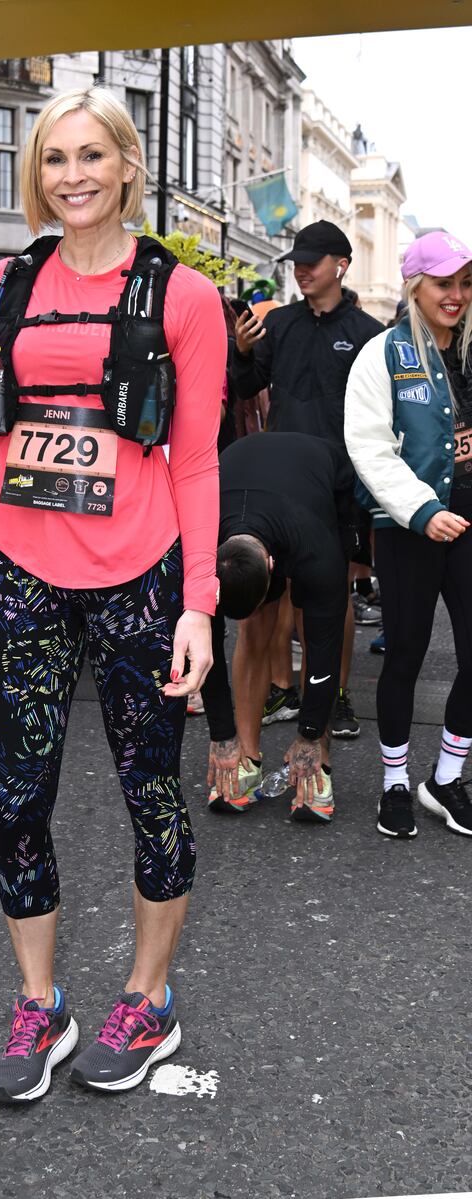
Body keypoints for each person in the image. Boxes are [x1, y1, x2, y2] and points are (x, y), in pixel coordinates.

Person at [0, 86, 225, 1102]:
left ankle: (148, 997)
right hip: (19, 576)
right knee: (16, 804)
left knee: (151, 797)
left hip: (139, 578)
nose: (73, 176)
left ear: (128, 165)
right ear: (34, 173)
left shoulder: (179, 296)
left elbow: (192, 461)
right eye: (55, 159)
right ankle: (40, 1003)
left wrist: (195, 599)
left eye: (92, 156)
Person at [230, 220, 384, 740]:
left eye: (311, 262)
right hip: (279, 478)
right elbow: (246, 386)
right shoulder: (281, 324)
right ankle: (279, 688)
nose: (301, 270)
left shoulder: (367, 334)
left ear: (341, 265)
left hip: (337, 481)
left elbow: (379, 414)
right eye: (296, 261)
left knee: (330, 593)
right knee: (272, 592)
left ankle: (335, 694)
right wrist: (243, 352)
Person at [345, 231, 472, 839]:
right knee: (406, 656)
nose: (456, 295)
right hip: (409, 527)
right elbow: (368, 446)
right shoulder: (382, 354)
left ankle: (444, 781)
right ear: (416, 285)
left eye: (465, 284)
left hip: (471, 526)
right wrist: (421, 510)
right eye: (445, 283)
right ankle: (394, 783)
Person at [202, 432, 354, 823]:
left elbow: (324, 649)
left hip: (321, 475)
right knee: (255, 627)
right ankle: (247, 757)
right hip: (241, 476)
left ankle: (316, 758)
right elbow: (205, 650)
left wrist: (308, 733)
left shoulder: (313, 547)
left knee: (312, 617)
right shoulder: (199, 546)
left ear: (273, 566)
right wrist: (222, 737)